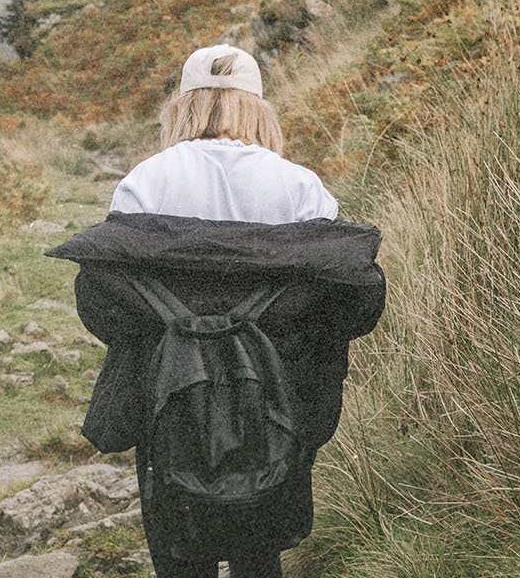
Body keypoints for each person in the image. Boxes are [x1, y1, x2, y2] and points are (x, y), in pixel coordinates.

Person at [47, 45, 385, 578]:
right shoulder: (300, 188)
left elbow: (105, 306)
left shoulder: (145, 183)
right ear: (257, 108)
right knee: (261, 543)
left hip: (170, 392)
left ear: (184, 105)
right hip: (276, 394)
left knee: (178, 547)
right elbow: (346, 303)